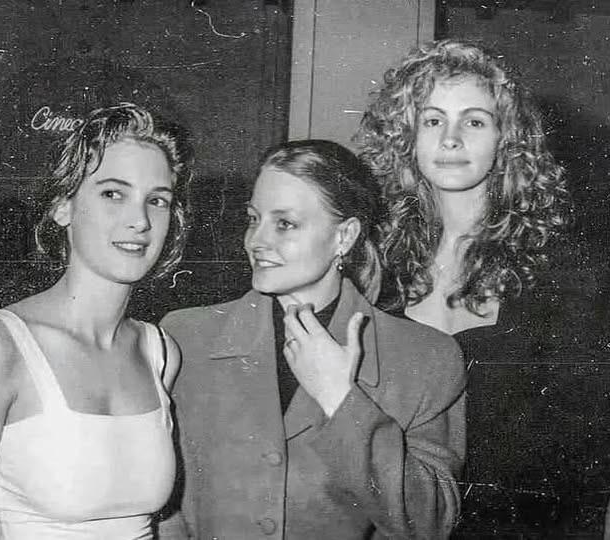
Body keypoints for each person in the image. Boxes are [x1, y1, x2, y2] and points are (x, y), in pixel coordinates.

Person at [159, 139, 466, 539]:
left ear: (345, 236)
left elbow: (430, 524)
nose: (256, 241)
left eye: (284, 223)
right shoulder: (185, 338)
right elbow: (164, 511)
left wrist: (340, 397)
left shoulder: (426, 358)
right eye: (253, 219)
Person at [0, 102, 191, 539]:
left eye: (157, 200)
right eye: (113, 193)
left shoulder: (159, 351)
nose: (140, 220)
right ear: (63, 207)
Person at [356, 41, 579, 535]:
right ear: (407, 136)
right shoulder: (370, 266)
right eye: (433, 120)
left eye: (474, 121)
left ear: (507, 139)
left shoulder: (561, 274)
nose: (450, 139)